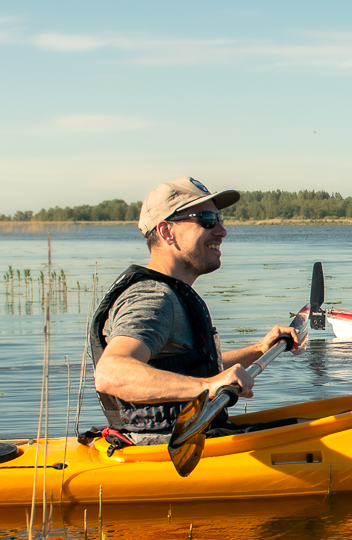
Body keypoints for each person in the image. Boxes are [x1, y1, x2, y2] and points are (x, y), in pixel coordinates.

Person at [88, 176, 301, 444]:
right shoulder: (154, 298)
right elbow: (110, 373)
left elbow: (191, 369)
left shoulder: (170, 293)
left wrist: (259, 349)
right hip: (168, 447)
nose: (222, 231)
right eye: (207, 220)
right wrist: (207, 386)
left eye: (220, 219)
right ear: (166, 231)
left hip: (196, 434)